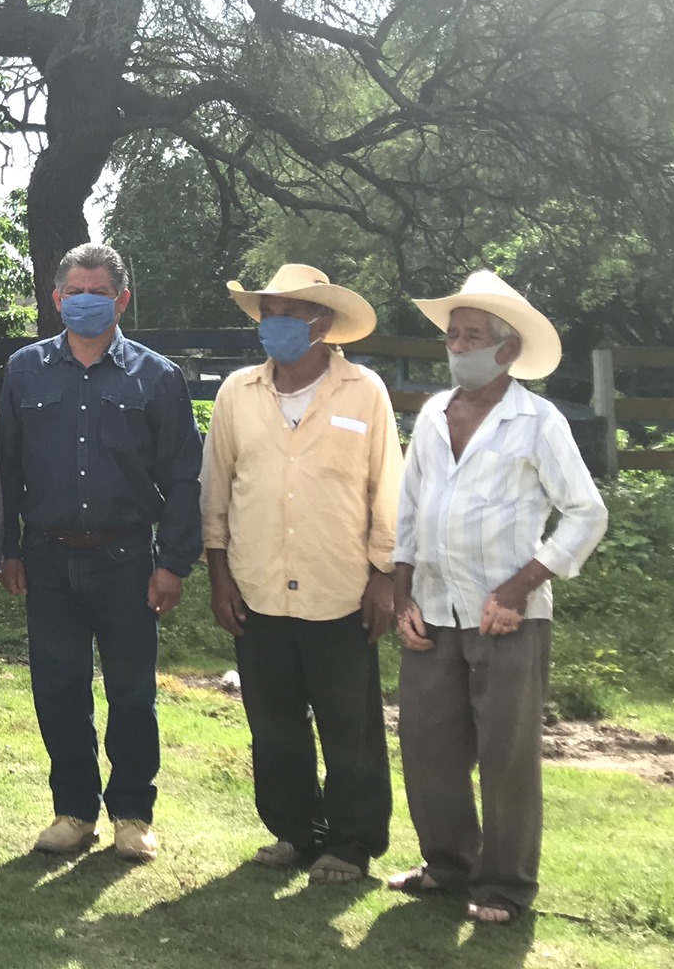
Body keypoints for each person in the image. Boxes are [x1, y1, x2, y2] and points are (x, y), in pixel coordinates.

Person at [386, 271, 607, 924]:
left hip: (507, 616)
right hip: (432, 607)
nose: (458, 346)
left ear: (507, 351)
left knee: (505, 754)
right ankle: (448, 865)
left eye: (473, 336)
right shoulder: (431, 413)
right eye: (453, 335)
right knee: (427, 743)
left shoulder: (537, 421)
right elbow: (408, 511)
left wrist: (520, 585)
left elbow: (585, 515)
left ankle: (506, 885)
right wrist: (401, 593)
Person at [0, 242, 202, 862]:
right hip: (49, 558)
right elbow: (5, 468)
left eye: (99, 291)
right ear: (57, 299)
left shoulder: (157, 377)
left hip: (127, 561)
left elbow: (185, 478)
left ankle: (133, 814)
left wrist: (173, 562)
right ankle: (73, 812)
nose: (86, 300)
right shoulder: (24, 371)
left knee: (132, 692)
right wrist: (7, 548)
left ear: (122, 300)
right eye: (75, 291)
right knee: (59, 688)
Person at [199, 264, 402, 884]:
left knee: (351, 725)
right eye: (269, 314)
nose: (276, 326)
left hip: (339, 587)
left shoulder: (364, 391)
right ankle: (294, 830)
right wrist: (219, 574)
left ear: (323, 325)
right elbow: (217, 488)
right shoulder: (238, 392)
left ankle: (351, 842)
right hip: (257, 584)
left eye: (290, 314)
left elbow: (387, 488)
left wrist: (385, 577)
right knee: (274, 723)